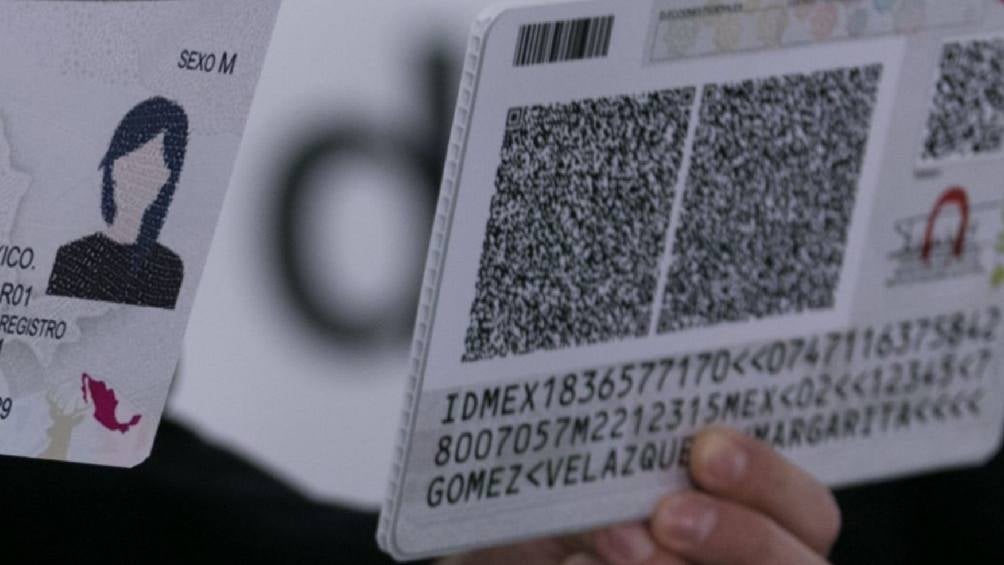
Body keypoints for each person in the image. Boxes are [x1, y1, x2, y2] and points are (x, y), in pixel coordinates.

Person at [47, 97, 188, 310]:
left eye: (148, 162)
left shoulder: (167, 269)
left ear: (167, 177)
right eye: (127, 155)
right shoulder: (71, 257)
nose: (130, 171)